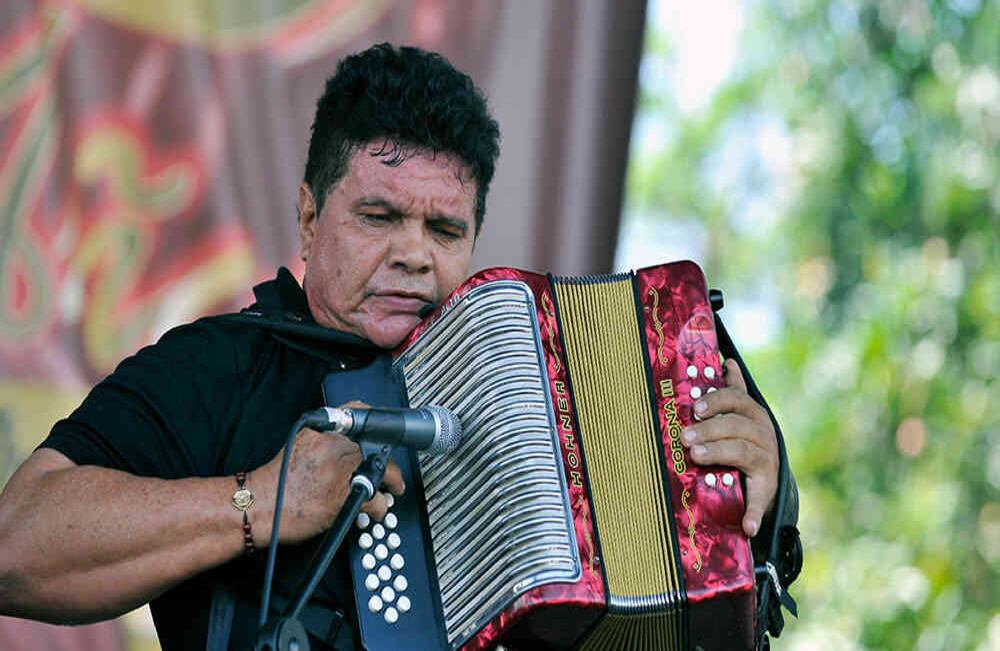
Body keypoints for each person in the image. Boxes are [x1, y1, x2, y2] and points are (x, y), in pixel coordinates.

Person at [0, 43, 795, 650]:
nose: (415, 254)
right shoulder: (221, 366)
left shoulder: (540, 388)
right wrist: (257, 501)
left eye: (445, 229)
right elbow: (18, 543)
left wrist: (749, 508)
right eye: (379, 216)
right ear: (310, 218)